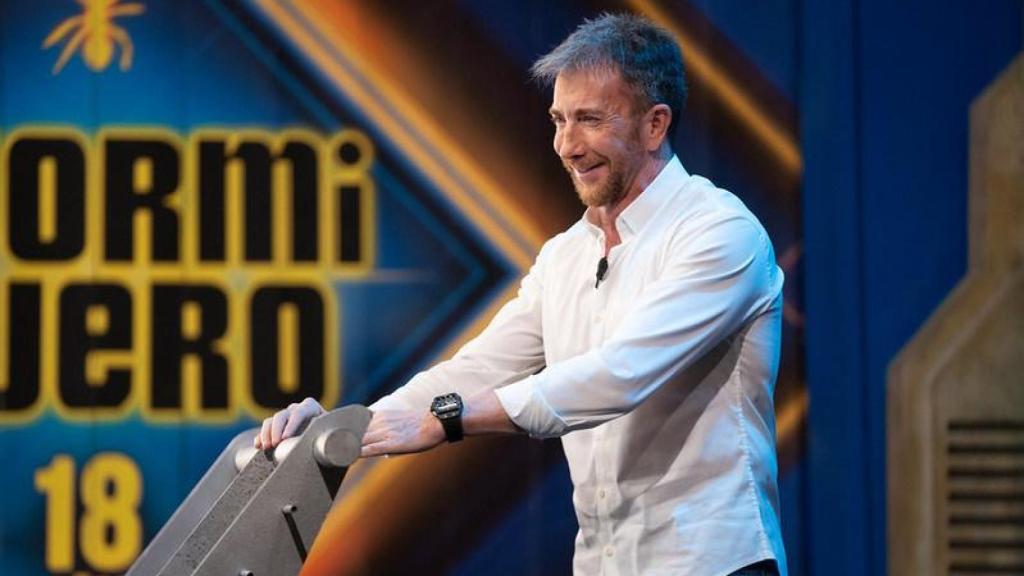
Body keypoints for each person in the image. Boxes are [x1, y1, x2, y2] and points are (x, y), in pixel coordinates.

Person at [256, 13, 786, 576]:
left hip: (714, 562)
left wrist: (448, 419)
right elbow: (477, 369)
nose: (566, 145)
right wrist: (338, 431)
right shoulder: (565, 256)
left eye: (589, 120)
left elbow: (621, 373)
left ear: (655, 125)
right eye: (558, 119)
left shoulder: (720, 233)